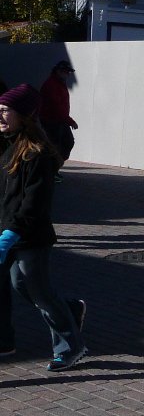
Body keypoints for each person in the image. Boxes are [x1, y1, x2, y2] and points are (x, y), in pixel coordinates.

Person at [0, 85, 87, 371]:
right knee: (20, 285)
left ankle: (71, 347)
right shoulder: (9, 147)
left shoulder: (37, 155)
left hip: (30, 237)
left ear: (24, 115)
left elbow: (34, 203)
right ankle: (69, 309)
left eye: (5, 110)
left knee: (40, 294)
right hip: (9, 233)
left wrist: (9, 236)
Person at [39, 60, 78, 182]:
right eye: (66, 72)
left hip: (60, 121)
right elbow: (56, 106)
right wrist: (70, 121)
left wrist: (67, 120)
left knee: (66, 143)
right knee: (56, 146)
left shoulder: (60, 83)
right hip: (51, 122)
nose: (68, 74)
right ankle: (49, 172)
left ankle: (52, 170)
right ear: (58, 71)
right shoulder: (51, 85)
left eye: (68, 72)